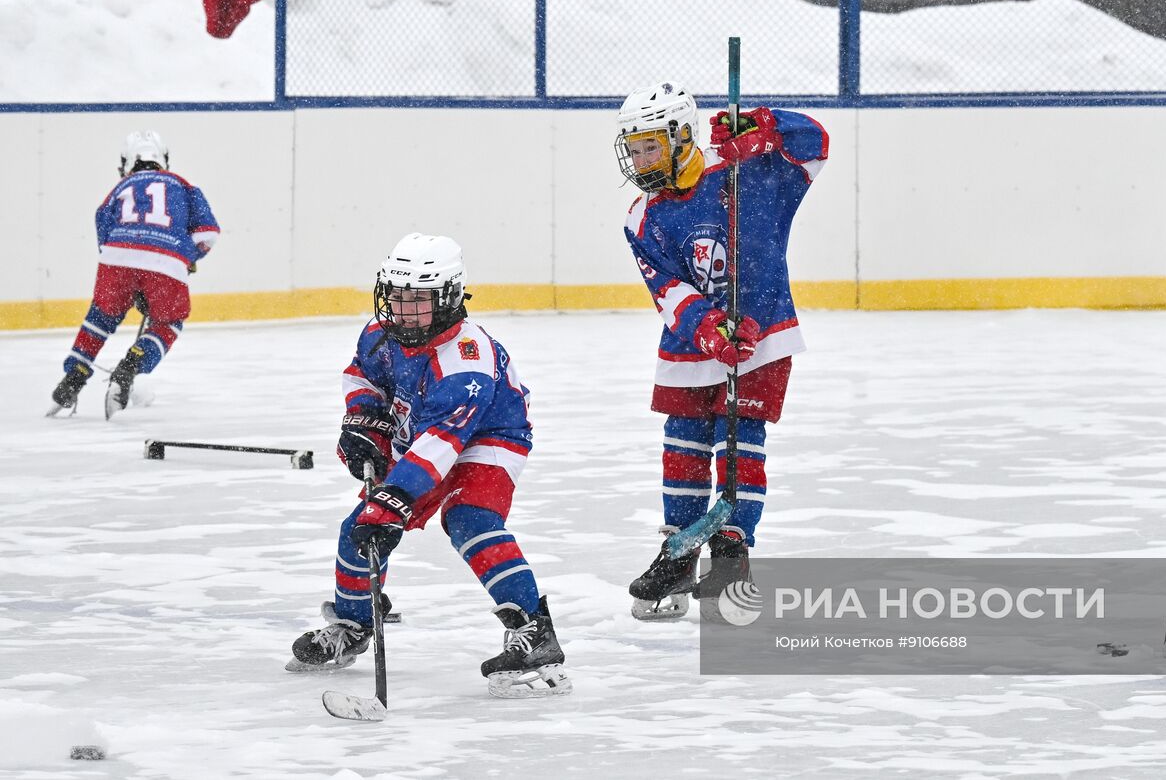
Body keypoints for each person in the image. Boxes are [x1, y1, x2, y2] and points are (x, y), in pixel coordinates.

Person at [286, 233, 571, 699]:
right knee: (357, 529)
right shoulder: (381, 335)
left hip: (487, 439)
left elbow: (443, 442)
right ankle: (354, 625)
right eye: (396, 297)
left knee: (468, 520)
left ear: (450, 298)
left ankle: (534, 632)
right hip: (425, 433)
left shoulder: (465, 362)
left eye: (418, 299)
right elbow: (361, 375)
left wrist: (394, 500)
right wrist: (365, 422)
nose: (403, 310)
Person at [614, 81, 828, 622]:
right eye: (633, 148)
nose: (640, 159)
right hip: (692, 342)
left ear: (683, 137)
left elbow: (817, 143)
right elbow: (667, 289)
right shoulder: (642, 215)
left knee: (741, 441)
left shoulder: (747, 171)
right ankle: (680, 552)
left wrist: (766, 126)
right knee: (682, 443)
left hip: (764, 334)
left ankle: (731, 553)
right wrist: (708, 328)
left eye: (651, 146)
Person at [49, 130, 219, 419]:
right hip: (166, 260)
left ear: (125, 163)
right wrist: (185, 258)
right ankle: (132, 366)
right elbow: (208, 233)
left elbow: (104, 237)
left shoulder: (117, 190)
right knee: (168, 323)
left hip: (116, 258)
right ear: (163, 159)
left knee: (100, 317)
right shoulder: (183, 185)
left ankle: (74, 374)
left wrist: (131, 277)